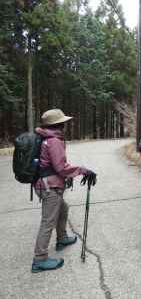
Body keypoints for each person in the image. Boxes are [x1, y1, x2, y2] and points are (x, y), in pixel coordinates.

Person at [32, 109, 96, 273]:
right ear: (57, 125)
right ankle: (39, 259)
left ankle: (62, 238)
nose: (65, 125)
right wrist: (82, 170)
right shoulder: (53, 141)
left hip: (44, 183)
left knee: (63, 209)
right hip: (49, 186)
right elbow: (61, 167)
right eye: (63, 122)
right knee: (48, 221)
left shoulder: (45, 137)